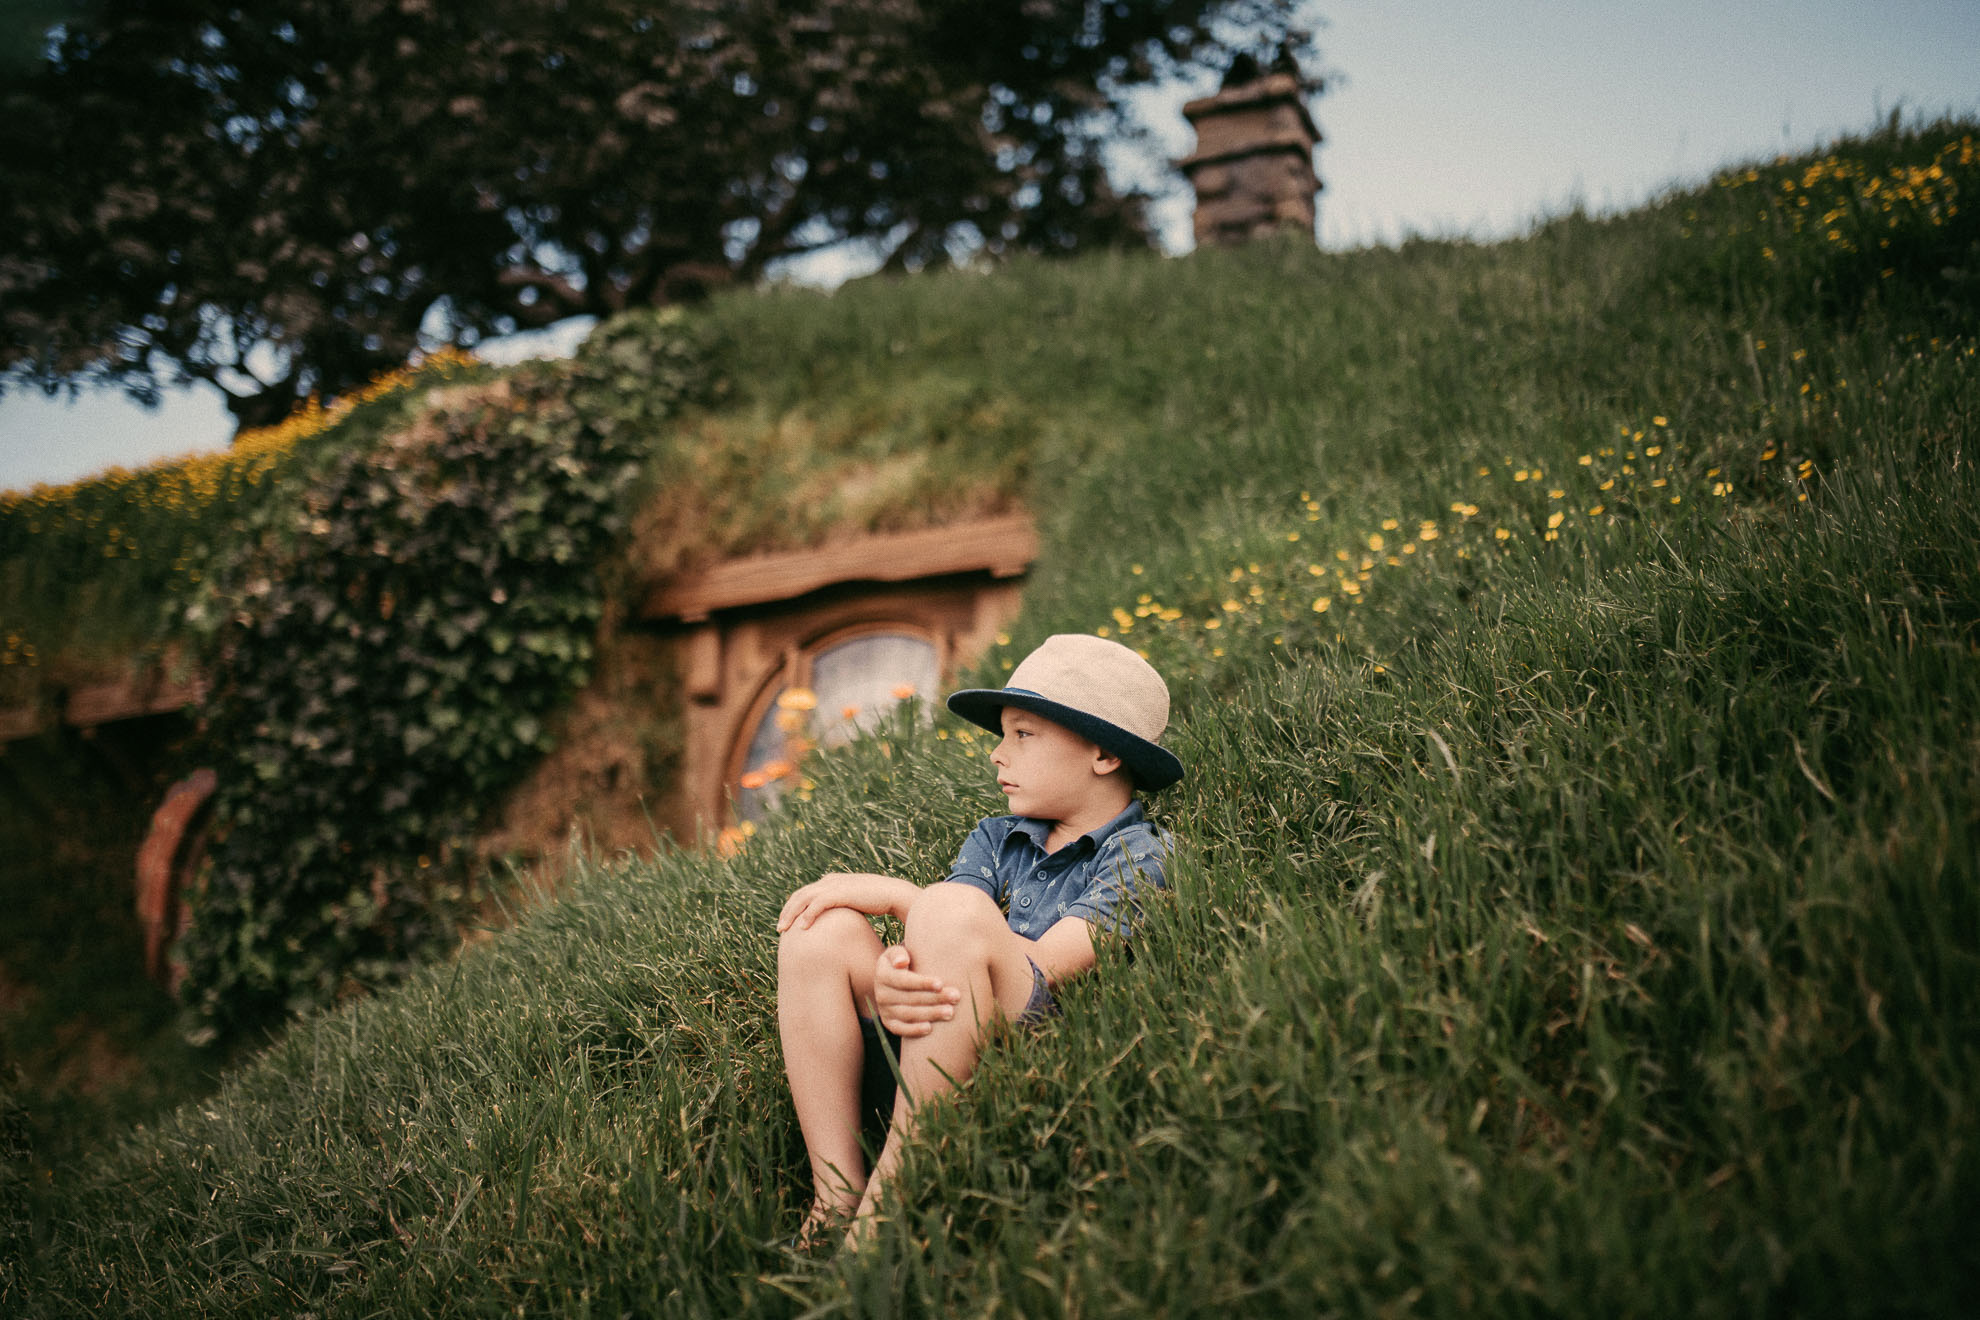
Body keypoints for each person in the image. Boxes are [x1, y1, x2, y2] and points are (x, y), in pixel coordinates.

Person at [774, 632, 1183, 1246]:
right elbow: (939, 931)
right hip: (937, 1033)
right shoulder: (997, 837)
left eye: (1023, 734)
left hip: (1012, 1057)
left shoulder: (1139, 854)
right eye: (1002, 735)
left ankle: (897, 1189)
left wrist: (898, 896)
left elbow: (1050, 962)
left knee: (950, 905)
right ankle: (835, 1192)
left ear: (1102, 753)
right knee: (821, 932)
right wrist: (894, 972)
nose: (998, 753)